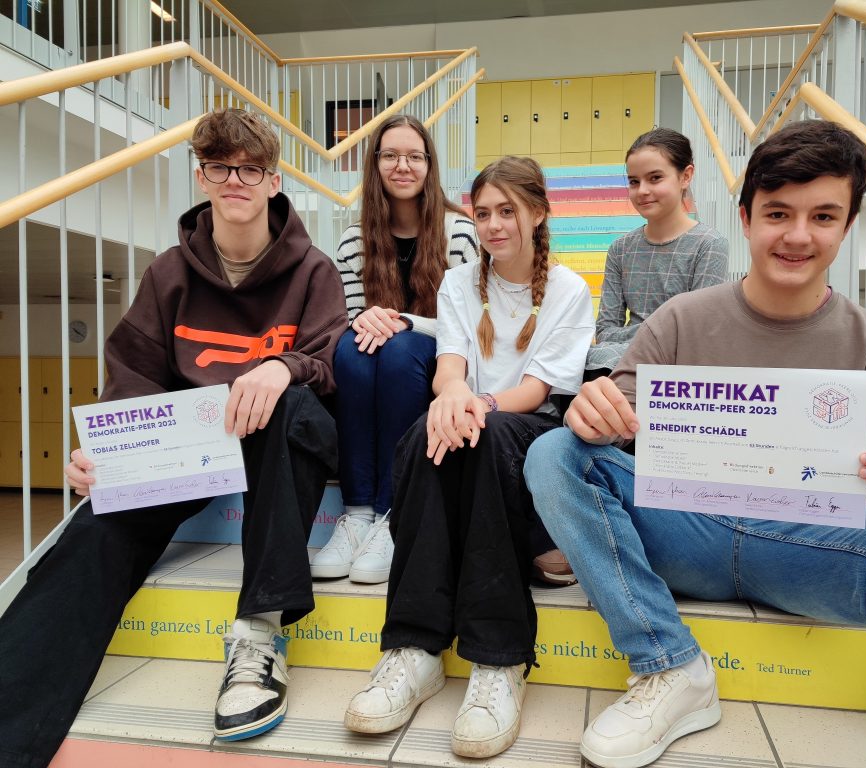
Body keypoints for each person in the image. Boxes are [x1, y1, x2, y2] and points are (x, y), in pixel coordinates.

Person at [524, 120, 866, 768]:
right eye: (778, 213)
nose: (798, 236)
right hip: (688, 529)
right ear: (746, 219)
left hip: (814, 547)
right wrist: (593, 411)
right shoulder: (680, 321)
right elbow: (611, 420)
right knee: (554, 452)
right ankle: (667, 662)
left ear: (847, 226)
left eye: (823, 216)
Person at [0, 109, 348, 766]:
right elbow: (134, 374)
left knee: (298, 406)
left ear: (274, 181)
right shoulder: (168, 274)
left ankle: (259, 630)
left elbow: (331, 362)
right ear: (201, 176)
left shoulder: (313, 270)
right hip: (189, 446)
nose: (235, 180)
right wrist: (106, 456)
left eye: (250, 169)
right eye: (220, 167)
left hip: (276, 439)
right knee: (95, 530)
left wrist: (281, 367)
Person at [343, 156, 594, 758]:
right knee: (420, 437)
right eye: (482, 214)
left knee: (489, 438)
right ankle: (413, 649)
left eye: (508, 211)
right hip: (474, 421)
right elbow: (449, 366)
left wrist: (474, 405)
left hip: (529, 430)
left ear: (539, 213)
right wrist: (452, 396)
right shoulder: (459, 283)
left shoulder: (569, 290)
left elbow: (535, 391)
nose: (493, 225)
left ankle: (499, 659)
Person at [311, 114, 478, 584]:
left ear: (429, 166)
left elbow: (466, 324)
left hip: (439, 357)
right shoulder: (353, 240)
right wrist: (362, 320)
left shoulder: (458, 232)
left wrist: (405, 322)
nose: (402, 166)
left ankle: (392, 514)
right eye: (390, 155)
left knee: (400, 350)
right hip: (379, 358)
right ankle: (357, 514)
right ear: (375, 164)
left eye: (414, 156)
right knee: (351, 352)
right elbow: (349, 317)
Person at [587, 128, 728, 377]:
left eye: (655, 178)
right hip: (620, 363)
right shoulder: (621, 249)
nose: (642, 190)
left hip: (677, 371)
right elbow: (606, 331)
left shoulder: (709, 244)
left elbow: (697, 332)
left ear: (686, 176)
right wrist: (661, 333)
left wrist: (637, 336)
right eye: (634, 181)